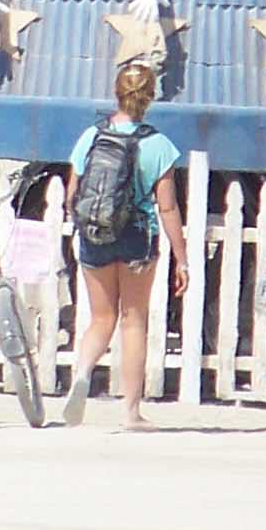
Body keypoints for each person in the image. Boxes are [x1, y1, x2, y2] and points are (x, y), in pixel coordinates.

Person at [60, 59, 189, 430]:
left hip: (95, 235)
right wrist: (181, 259)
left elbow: (73, 194)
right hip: (136, 237)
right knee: (133, 322)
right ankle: (131, 412)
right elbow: (167, 207)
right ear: (151, 97)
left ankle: (82, 373)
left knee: (101, 318)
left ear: (117, 92)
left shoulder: (91, 137)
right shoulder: (159, 145)